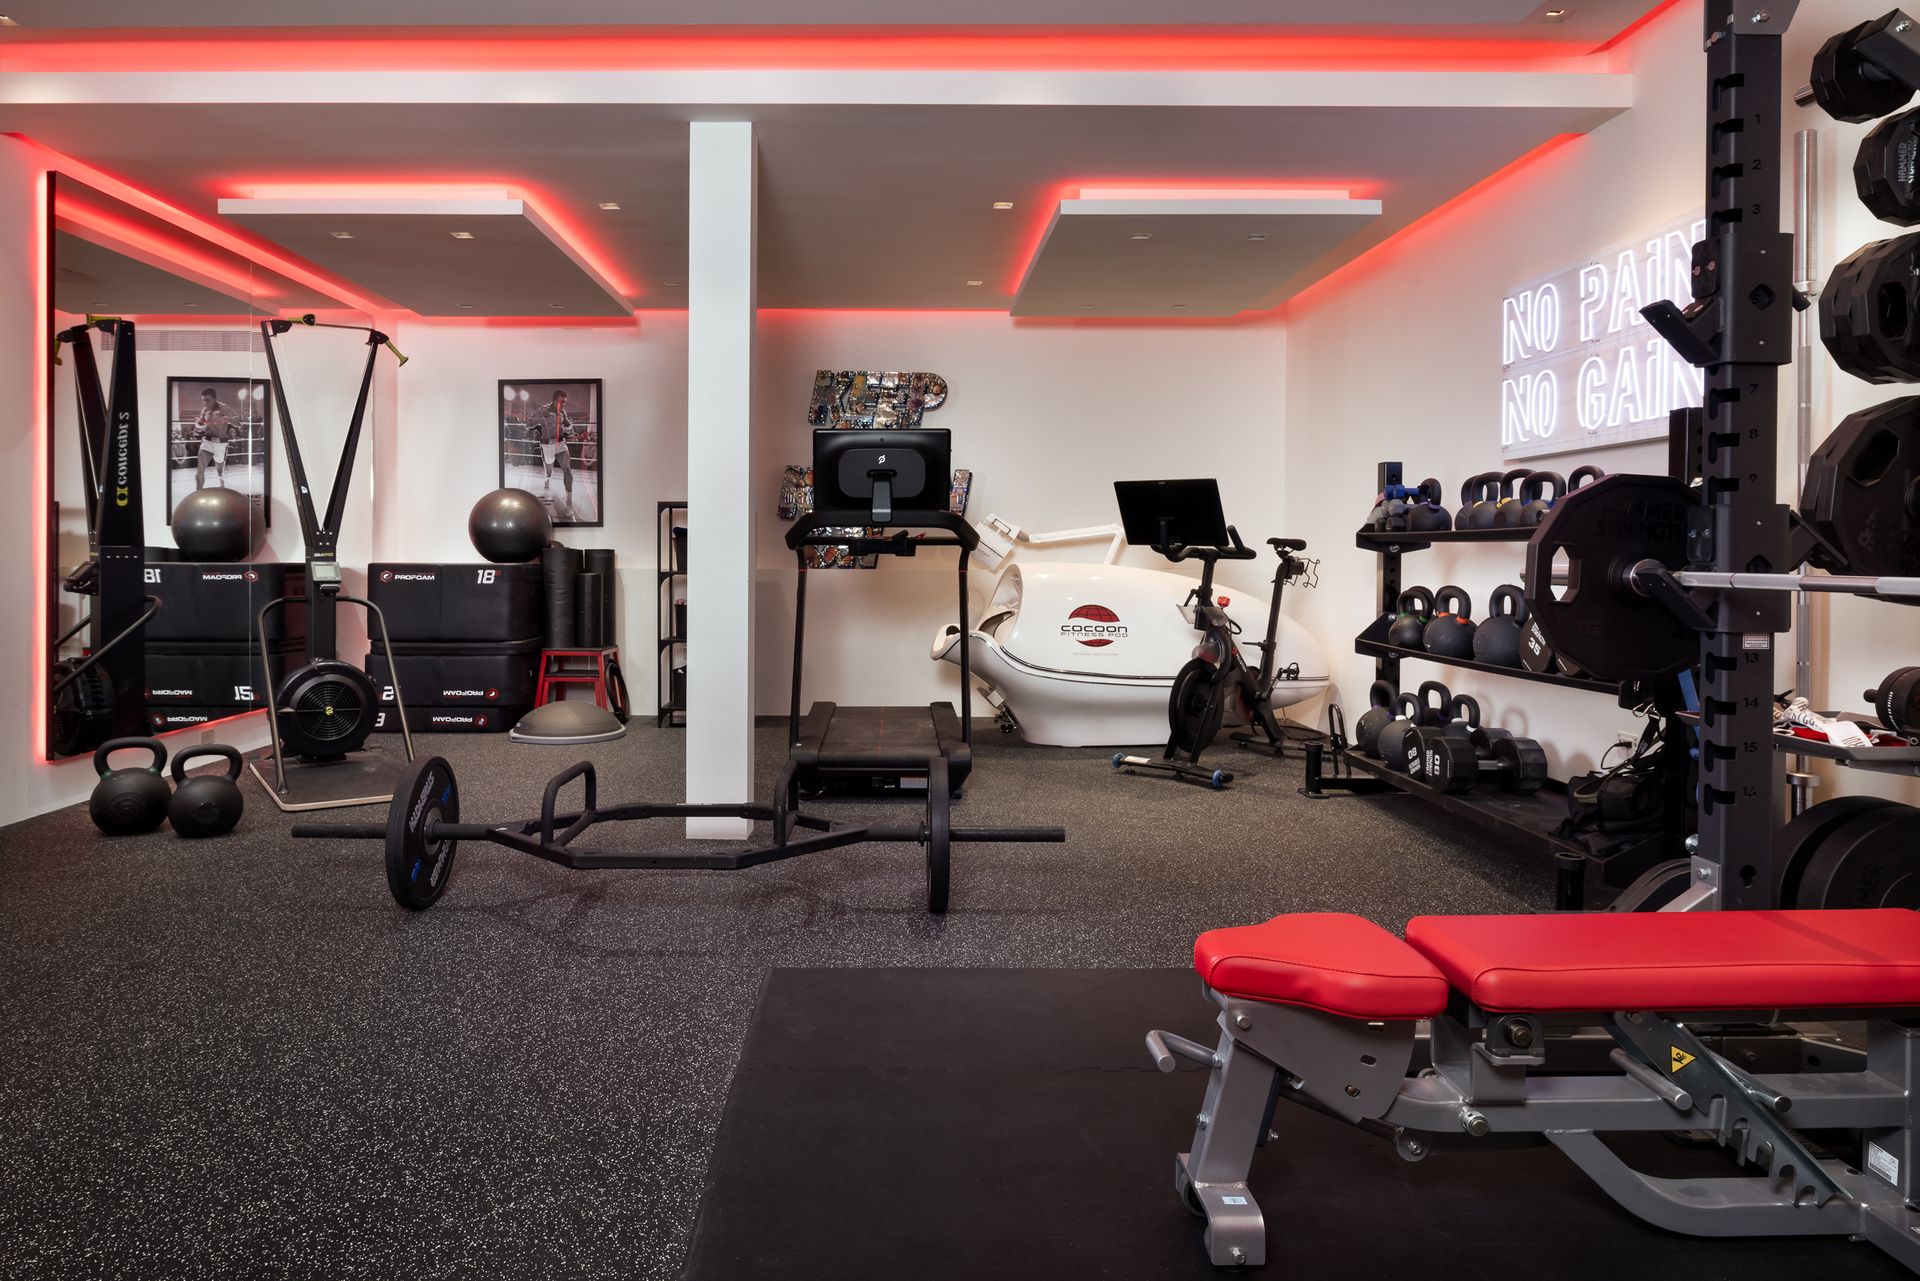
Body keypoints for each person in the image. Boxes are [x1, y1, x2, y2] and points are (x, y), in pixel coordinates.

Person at [526, 388, 576, 500]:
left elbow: (570, 428)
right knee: (549, 469)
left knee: (567, 468)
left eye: (564, 402)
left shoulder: (562, 412)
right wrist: (542, 421)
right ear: (553, 400)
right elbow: (528, 424)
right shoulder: (543, 410)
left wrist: (568, 428)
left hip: (560, 443)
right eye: (560, 401)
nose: (563, 404)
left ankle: (569, 499)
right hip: (547, 445)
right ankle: (547, 478)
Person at [192, 387, 235, 490]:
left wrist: (227, 419)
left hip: (220, 444)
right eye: (203, 400)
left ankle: (221, 480)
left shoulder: (224, 408)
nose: (205, 403)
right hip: (207, 441)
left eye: (208, 400)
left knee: (219, 469)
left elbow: (238, 422)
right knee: (200, 468)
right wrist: (202, 427)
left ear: (215, 398)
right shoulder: (205, 410)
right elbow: (197, 424)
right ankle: (198, 493)